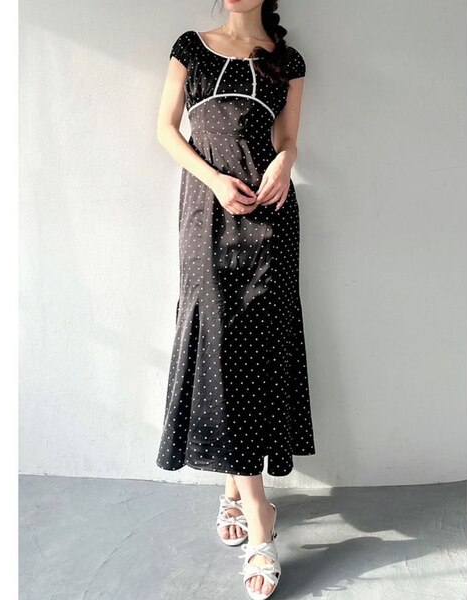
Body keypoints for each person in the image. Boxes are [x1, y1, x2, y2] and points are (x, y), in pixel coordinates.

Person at [155, 1, 315, 597]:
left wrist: (286, 161)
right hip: (207, 210)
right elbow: (165, 129)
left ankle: (239, 495)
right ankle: (259, 513)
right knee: (219, 346)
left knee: (256, 349)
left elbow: (289, 138)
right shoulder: (190, 47)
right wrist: (214, 179)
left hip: (271, 216)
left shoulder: (288, 61)